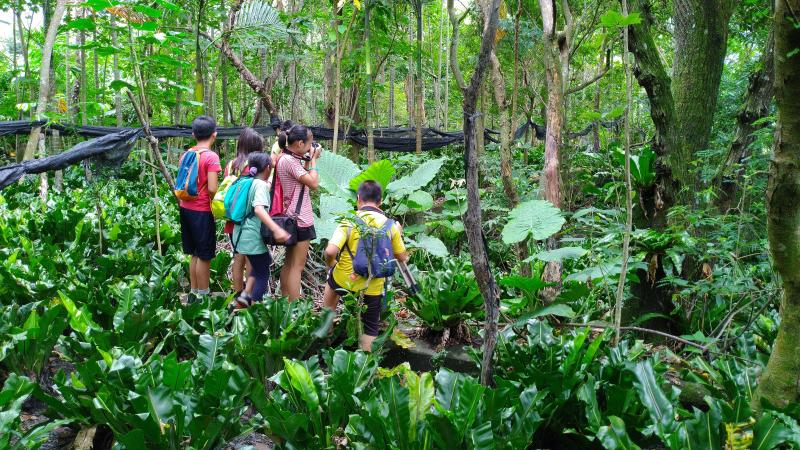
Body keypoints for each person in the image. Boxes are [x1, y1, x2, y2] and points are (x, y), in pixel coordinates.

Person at [323, 180, 408, 351]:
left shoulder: (349, 221)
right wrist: (399, 233)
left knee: (330, 293)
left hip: (344, 281)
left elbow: (330, 251)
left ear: (358, 199)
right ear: (381, 201)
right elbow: (402, 257)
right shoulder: (390, 225)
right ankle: (364, 364)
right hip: (372, 286)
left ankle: (326, 344)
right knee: (370, 326)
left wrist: (332, 264)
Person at [230, 152, 290, 308]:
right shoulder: (261, 185)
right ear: (268, 168)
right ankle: (254, 311)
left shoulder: (245, 181)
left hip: (239, 234)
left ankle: (243, 301)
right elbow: (258, 209)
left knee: (257, 268)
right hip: (251, 235)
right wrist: (276, 229)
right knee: (263, 273)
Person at [275, 124, 322, 301]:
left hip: (290, 217)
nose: (311, 147)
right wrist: (315, 160)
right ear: (300, 143)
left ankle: (286, 303)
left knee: (289, 264)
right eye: (309, 144)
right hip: (300, 219)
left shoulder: (284, 158)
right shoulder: (290, 161)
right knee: (297, 267)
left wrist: (308, 159)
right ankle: (294, 309)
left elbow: (301, 178)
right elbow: (313, 183)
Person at [179, 115, 221, 303]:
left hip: (185, 207)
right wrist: (216, 205)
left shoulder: (186, 154)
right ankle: (203, 296)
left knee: (194, 253)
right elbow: (212, 188)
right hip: (202, 210)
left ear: (194, 134)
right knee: (204, 254)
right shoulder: (211, 157)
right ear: (214, 135)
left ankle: (194, 292)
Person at [224, 128, 261, 297]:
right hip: (251, 220)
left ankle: (236, 295)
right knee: (251, 260)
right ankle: (250, 297)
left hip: (233, 221)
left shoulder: (232, 165)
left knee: (238, 258)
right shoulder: (256, 166)